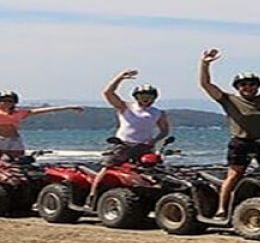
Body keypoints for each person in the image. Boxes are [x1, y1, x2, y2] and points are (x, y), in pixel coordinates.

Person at [200, 48, 260, 218]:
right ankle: (222, 208)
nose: (248, 87)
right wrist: (205, 64)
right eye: (243, 85)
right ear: (237, 87)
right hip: (241, 143)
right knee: (234, 175)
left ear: (258, 86)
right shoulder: (229, 99)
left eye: (252, 84)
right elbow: (206, 84)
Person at [87, 71, 170, 206]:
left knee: (151, 171)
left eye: (149, 96)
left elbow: (165, 130)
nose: (145, 99)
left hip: (144, 147)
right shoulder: (126, 107)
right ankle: (92, 196)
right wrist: (119, 78)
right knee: (107, 168)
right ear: (136, 97)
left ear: (154, 98)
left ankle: (150, 198)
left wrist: (154, 140)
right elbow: (108, 93)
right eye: (142, 96)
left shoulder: (158, 113)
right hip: (123, 144)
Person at [0, 91, 83, 158]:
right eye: (3, 100)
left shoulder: (19, 113)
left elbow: (45, 110)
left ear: (14, 102)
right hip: (1, 139)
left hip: (15, 140)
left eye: (10, 101)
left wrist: (69, 107)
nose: (6, 103)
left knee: (17, 161)